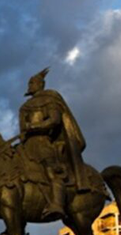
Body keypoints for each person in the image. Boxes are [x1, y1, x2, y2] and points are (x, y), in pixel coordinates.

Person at [18, 67, 89, 220]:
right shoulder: (24, 107)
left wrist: (34, 127)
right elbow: (22, 128)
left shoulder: (49, 100)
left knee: (51, 171)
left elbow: (55, 120)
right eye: (29, 83)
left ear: (40, 84)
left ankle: (57, 204)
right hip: (26, 145)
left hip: (43, 143)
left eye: (33, 83)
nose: (30, 85)